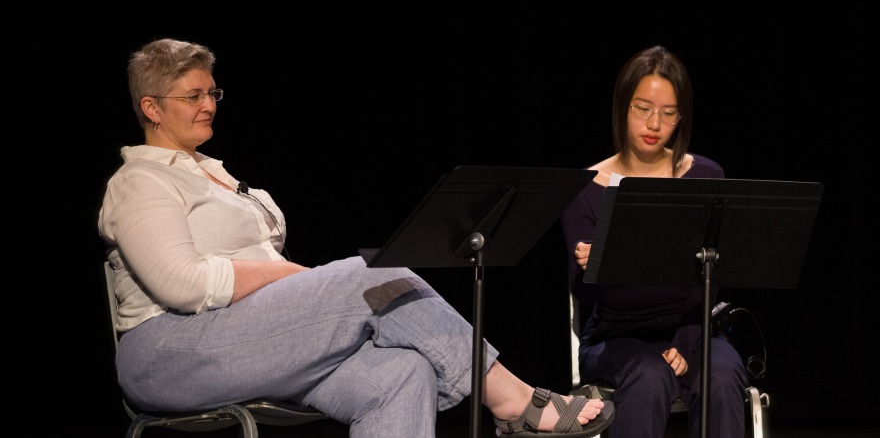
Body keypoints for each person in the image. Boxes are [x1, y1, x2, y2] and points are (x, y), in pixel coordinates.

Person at [98, 37, 615, 438]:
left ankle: (506, 397)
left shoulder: (213, 172)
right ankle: (512, 398)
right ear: (151, 107)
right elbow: (184, 286)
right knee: (374, 272)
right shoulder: (141, 181)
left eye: (212, 91)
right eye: (193, 95)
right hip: (170, 352)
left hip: (247, 339)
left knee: (404, 370)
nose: (208, 103)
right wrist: (289, 276)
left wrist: (294, 282)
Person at [560, 45, 748, 438]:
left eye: (668, 113)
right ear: (622, 107)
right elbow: (585, 296)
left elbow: (709, 279)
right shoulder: (584, 187)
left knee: (722, 374)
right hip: (615, 338)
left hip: (692, 328)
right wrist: (593, 268)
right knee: (649, 374)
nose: (654, 123)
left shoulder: (706, 177)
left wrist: (684, 341)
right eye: (642, 108)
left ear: (682, 117)